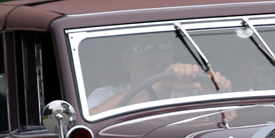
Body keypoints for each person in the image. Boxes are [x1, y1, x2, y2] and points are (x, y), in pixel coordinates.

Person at [88, 37, 230, 113]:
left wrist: (219, 94)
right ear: (127, 62)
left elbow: (226, 125)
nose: (157, 54)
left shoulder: (193, 90)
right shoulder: (106, 95)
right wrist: (160, 86)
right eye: (146, 48)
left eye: (164, 46)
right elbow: (90, 124)